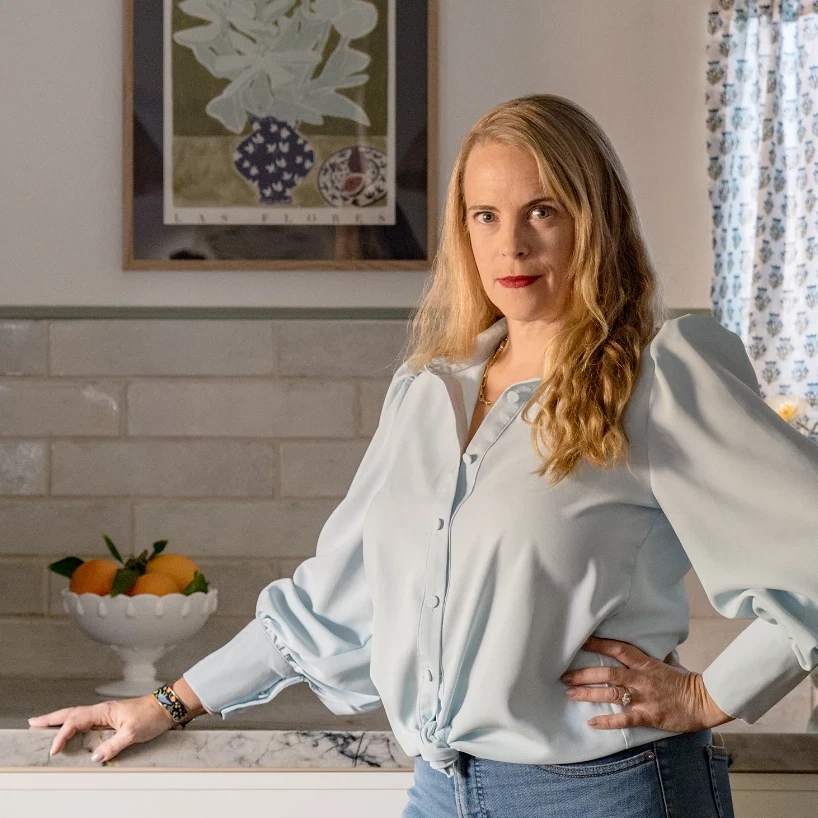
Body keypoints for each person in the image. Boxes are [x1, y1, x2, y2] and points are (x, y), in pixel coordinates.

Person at [29, 94, 818, 817]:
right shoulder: (428, 393)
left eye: (542, 210)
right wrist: (164, 704)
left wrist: (708, 695)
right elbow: (332, 602)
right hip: (444, 790)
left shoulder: (658, 374)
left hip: (605, 792)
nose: (510, 242)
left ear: (594, 217)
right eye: (484, 215)